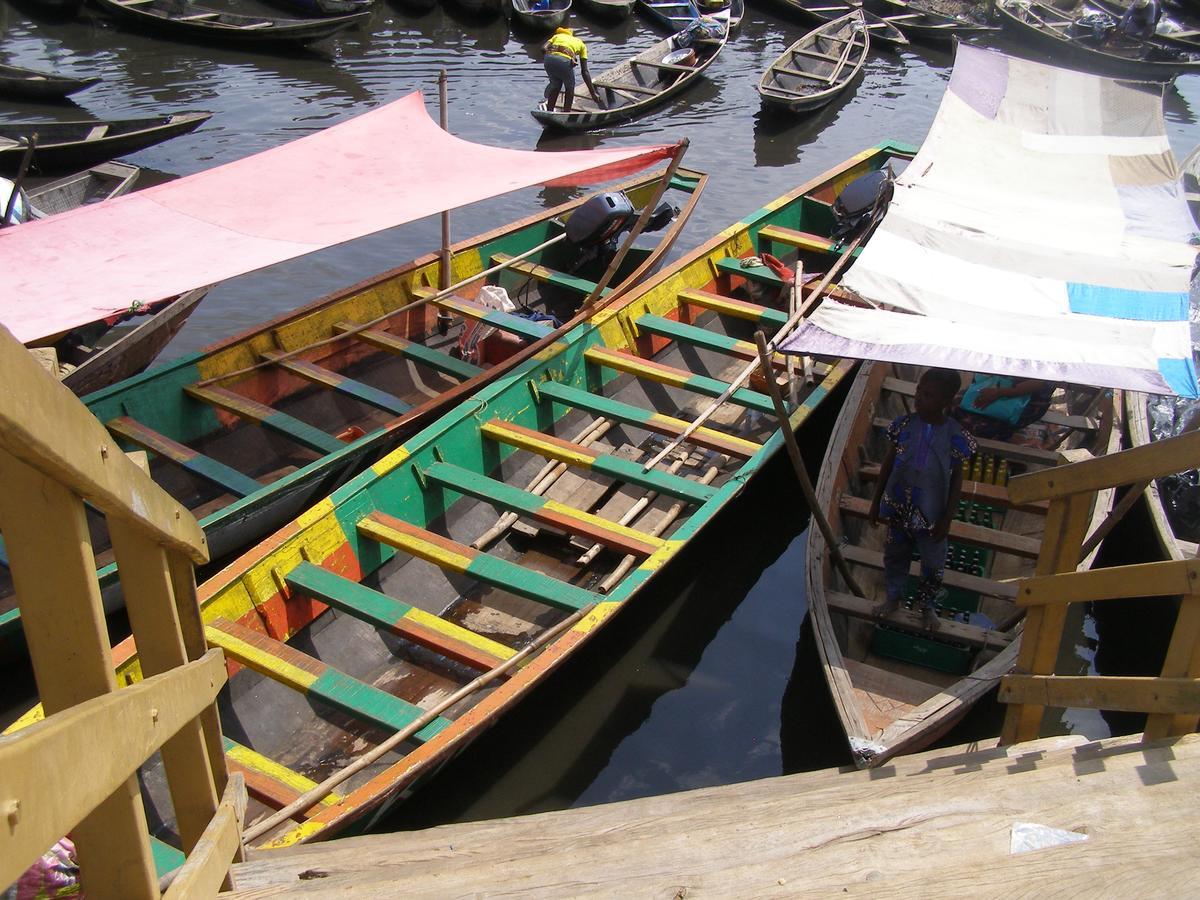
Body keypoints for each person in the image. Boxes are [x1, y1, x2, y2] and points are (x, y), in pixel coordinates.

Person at [869, 368, 976, 632]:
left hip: (932, 515)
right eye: (918, 391)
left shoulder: (954, 436)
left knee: (932, 564)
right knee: (895, 556)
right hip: (899, 509)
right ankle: (893, 597)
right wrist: (876, 501)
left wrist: (947, 518)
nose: (918, 398)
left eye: (927, 395)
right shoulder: (903, 425)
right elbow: (888, 464)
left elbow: (957, 481)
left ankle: (927, 607)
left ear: (946, 402)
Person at [951, 374, 1054, 441]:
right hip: (993, 385)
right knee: (953, 407)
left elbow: (1040, 383)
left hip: (1024, 400)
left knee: (983, 426)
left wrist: (1000, 393)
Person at [542, 27, 602, 114]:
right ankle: (566, 113)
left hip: (548, 60)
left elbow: (543, 49)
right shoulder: (581, 44)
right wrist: (593, 93)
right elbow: (584, 71)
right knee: (569, 88)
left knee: (556, 85)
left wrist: (552, 58)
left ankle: (549, 112)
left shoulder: (556, 37)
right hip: (564, 62)